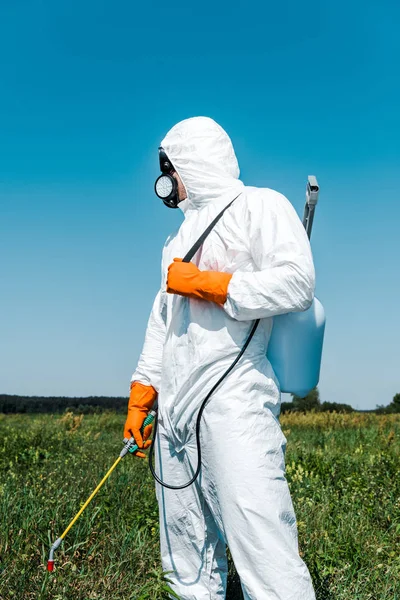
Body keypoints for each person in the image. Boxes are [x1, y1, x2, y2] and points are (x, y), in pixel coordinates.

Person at [124, 116, 316, 599]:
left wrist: (214, 285)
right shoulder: (176, 238)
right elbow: (161, 321)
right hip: (175, 409)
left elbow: (297, 280)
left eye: (170, 168)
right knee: (184, 546)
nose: (167, 181)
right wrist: (143, 394)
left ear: (191, 162)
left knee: (260, 537)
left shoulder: (260, 206)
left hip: (234, 400)